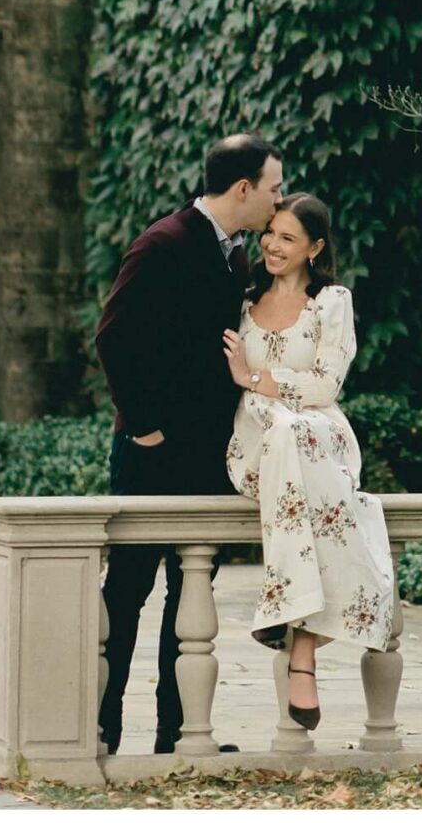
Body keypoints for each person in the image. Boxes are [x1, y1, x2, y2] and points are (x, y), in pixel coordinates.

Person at [94, 133, 283, 755]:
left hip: (205, 455)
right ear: (242, 189)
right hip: (151, 454)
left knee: (190, 592)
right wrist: (145, 425)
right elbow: (113, 338)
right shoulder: (164, 243)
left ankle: (176, 734)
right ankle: (100, 728)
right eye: (274, 187)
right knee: (126, 594)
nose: (278, 200)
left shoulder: (232, 256)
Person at [222, 192, 397, 730]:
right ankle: (311, 639)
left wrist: (252, 377)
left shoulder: (332, 302)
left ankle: (297, 641)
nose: (272, 244)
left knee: (297, 429)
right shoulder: (242, 299)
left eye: (287, 238)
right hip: (257, 443)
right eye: (269, 232)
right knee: (282, 432)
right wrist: (261, 393)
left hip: (320, 438)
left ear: (315, 248)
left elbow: (326, 384)